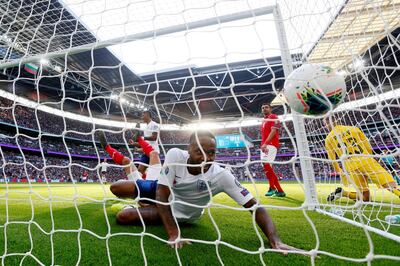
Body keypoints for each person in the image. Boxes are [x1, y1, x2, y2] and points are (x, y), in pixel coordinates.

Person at [104, 130, 299, 252]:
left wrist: (275, 240)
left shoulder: (221, 175)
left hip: (181, 211)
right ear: (188, 149)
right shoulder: (175, 155)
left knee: (124, 217)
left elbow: (256, 207)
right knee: (117, 188)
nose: (206, 157)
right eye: (200, 151)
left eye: (212, 152)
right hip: (163, 192)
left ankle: (145, 206)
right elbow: (161, 194)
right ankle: (144, 201)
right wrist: (173, 234)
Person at [325, 118, 400, 202]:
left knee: (365, 198)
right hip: (365, 160)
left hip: (351, 167)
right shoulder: (353, 129)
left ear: (326, 125)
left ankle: (343, 193)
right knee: (388, 183)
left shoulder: (329, 138)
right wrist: (370, 157)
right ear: (338, 120)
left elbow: (332, 159)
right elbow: (367, 145)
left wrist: (339, 171)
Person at [260, 103, 285, 197]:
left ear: (270, 108)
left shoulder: (273, 116)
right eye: (262, 108)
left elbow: (273, 131)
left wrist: (266, 143)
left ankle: (272, 188)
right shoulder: (263, 121)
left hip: (270, 145)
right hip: (264, 145)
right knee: (267, 167)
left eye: (266, 107)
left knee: (266, 164)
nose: (264, 109)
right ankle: (279, 190)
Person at [130, 111, 160, 177]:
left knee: (154, 172)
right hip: (146, 152)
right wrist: (134, 143)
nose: (142, 117)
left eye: (143, 115)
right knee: (140, 171)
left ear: (147, 115)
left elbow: (154, 137)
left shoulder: (154, 124)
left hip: (153, 152)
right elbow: (145, 143)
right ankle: (137, 186)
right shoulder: (146, 128)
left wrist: (142, 138)